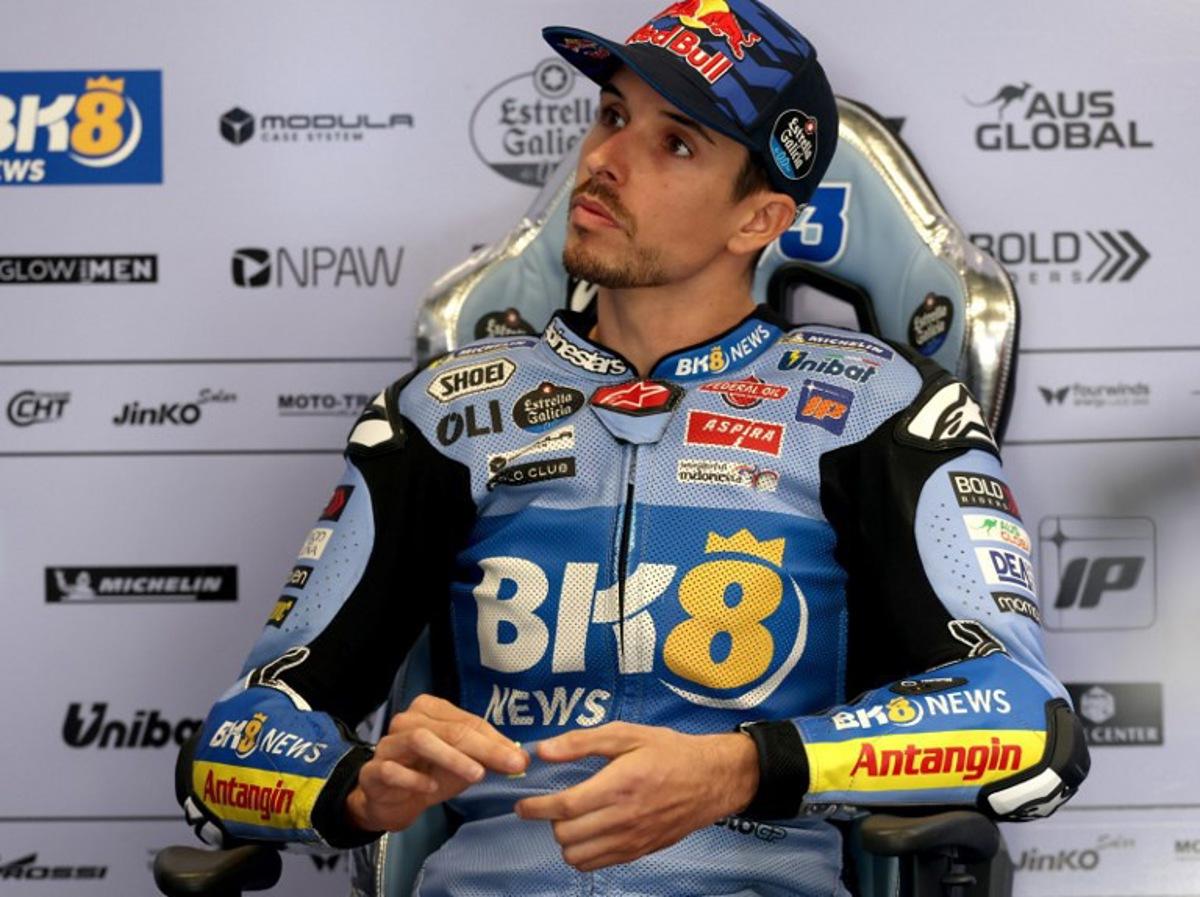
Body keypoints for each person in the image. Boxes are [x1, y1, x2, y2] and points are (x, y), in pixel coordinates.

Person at [175, 2, 1088, 894]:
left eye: (675, 143)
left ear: (758, 220)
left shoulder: (879, 407)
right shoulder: (446, 412)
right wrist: (356, 789)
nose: (604, 161)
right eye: (612, 116)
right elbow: (227, 751)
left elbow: (1025, 722)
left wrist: (742, 767)